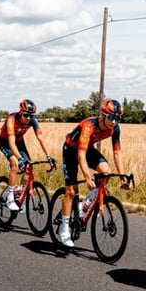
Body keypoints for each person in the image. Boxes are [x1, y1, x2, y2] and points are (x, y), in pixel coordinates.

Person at [57, 98, 131, 247]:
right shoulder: (89, 126)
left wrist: (123, 177)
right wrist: (87, 177)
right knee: (71, 191)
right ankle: (64, 229)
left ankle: (86, 204)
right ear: (103, 115)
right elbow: (80, 155)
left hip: (87, 149)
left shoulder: (115, 128)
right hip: (71, 150)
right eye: (111, 117)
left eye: (117, 118)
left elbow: (117, 154)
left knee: (106, 172)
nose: (114, 122)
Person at [0, 99, 54, 211]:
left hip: (19, 142)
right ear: (20, 112)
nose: (28, 118)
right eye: (26, 115)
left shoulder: (32, 120)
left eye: (31, 116)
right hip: (6, 142)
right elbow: (11, 143)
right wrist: (19, 158)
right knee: (15, 163)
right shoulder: (11, 119)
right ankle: (10, 198)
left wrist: (48, 156)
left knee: (29, 167)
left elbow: (40, 139)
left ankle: (20, 195)